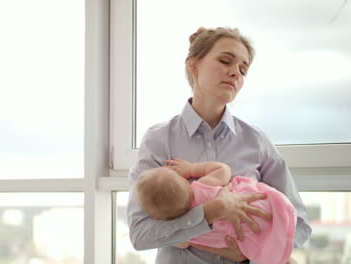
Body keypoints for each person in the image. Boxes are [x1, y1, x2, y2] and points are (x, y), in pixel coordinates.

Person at [127, 26, 312, 264]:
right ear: (193, 65)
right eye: (226, 61)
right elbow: (140, 234)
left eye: (243, 69)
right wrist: (209, 213)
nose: (236, 72)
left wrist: (250, 255)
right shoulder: (158, 140)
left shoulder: (257, 142)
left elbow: (301, 226)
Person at [135, 158, 297, 264]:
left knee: (274, 253)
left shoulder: (186, 233)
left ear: (156, 216)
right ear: (184, 181)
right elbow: (223, 170)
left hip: (249, 241)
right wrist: (192, 169)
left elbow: (180, 243)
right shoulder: (202, 186)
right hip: (264, 209)